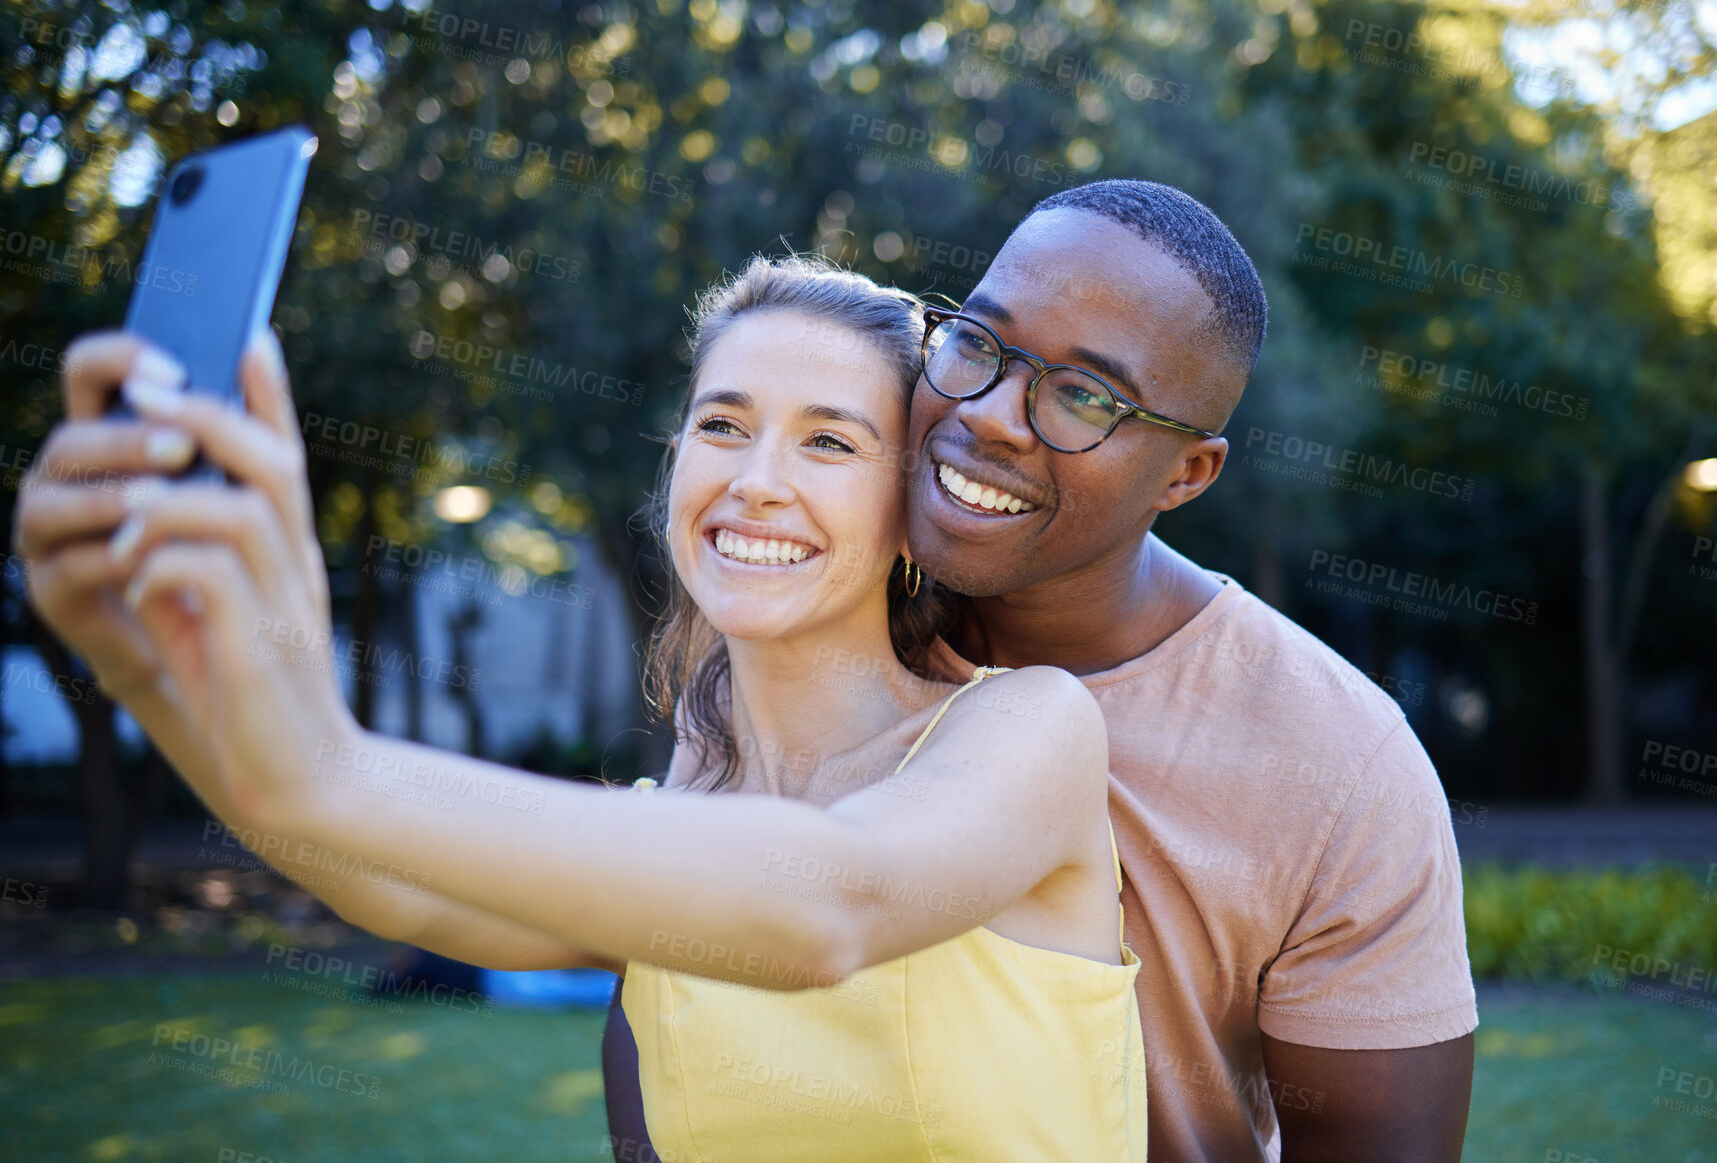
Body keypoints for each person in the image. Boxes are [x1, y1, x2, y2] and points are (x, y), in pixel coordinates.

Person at [17, 255, 1150, 1158]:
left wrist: (327, 759)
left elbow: (831, 906)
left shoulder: (1029, 731)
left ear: (908, 505)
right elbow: (388, 879)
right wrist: (155, 678)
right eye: (721, 424)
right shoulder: (676, 819)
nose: (756, 477)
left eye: (827, 441)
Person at [602, 180, 1478, 1162]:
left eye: (1085, 396)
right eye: (978, 342)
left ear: (1184, 476)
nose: (995, 417)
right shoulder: (807, 623)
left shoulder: (1339, 764)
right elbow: (661, 998)